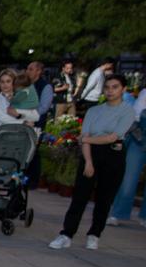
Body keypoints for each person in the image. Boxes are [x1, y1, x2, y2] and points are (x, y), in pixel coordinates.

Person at [50, 74, 138, 251]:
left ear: (123, 89)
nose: (110, 91)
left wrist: (87, 140)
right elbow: (85, 137)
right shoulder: (94, 111)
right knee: (80, 196)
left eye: (115, 87)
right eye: (107, 87)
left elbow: (113, 137)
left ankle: (94, 234)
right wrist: (88, 161)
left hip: (114, 155)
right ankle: (66, 234)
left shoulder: (127, 111)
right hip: (91, 154)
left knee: (104, 198)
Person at [0, 69, 38, 154]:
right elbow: (2, 118)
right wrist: (23, 122)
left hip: (17, 138)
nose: (5, 85)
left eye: (8, 81)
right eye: (2, 82)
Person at [109, 86, 146, 227]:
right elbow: (135, 116)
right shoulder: (145, 93)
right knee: (129, 178)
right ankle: (117, 214)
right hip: (140, 139)